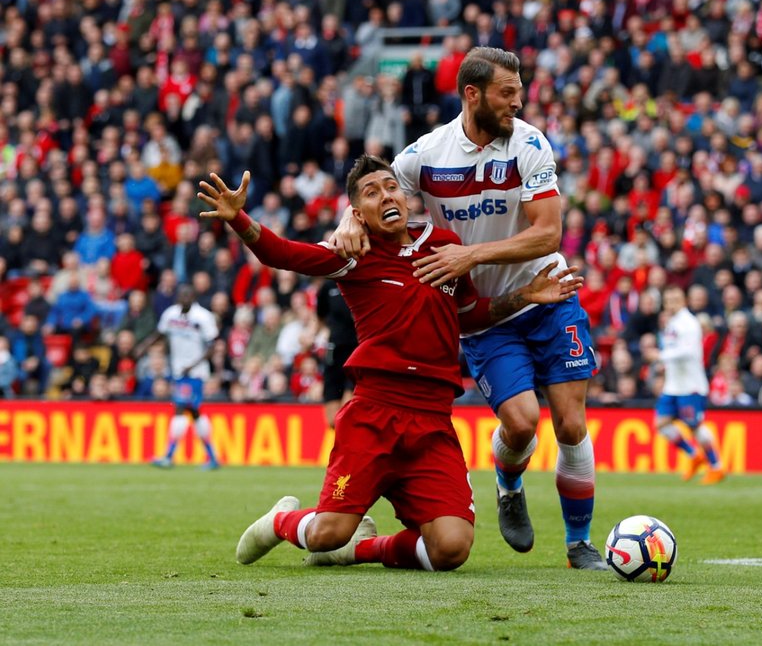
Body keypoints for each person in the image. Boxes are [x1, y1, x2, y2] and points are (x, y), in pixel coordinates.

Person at [197, 158, 582, 572]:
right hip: (374, 415)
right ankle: (280, 521)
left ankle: (362, 550)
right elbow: (283, 254)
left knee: (451, 548)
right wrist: (239, 219)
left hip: (432, 420)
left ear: (406, 195)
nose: (386, 195)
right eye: (372, 192)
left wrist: (525, 295)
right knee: (329, 531)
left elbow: (468, 314)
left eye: (391, 187)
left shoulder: (445, 244)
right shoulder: (354, 253)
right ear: (358, 214)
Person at [328, 47, 605, 569]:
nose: (518, 102)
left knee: (570, 423)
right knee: (522, 424)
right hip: (485, 314)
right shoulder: (427, 155)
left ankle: (578, 544)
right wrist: (347, 217)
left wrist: (470, 254)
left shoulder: (529, 145)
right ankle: (507, 482)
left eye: (520, 91)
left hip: (545, 292)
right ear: (472, 94)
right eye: (507, 92)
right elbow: (377, 192)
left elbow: (548, 233)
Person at [139, 284, 222, 470]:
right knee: (194, 412)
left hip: (195, 373)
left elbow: (212, 346)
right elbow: (160, 333)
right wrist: (143, 346)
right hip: (178, 371)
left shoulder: (203, 317)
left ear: (193, 297)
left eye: (187, 296)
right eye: (181, 296)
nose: (184, 299)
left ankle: (168, 456)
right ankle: (212, 457)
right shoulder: (171, 314)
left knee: (180, 408)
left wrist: (193, 365)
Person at [650, 286, 724, 484]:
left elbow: (690, 351)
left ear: (683, 301)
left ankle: (716, 466)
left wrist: (661, 356)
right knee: (660, 424)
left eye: (676, 298)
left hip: (690, 385)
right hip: (673, 385)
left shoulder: (689, 323)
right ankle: (694, 455)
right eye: (668, 299)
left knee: (694, 426)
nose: (671, 303)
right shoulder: (672, 323)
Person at [316, 277, 358, 430]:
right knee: (332, 421)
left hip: (356, 352)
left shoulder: (360, 282)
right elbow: (320, 315)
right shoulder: (328, 286)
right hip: (334, 354)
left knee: (346, 415)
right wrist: (314, 335)